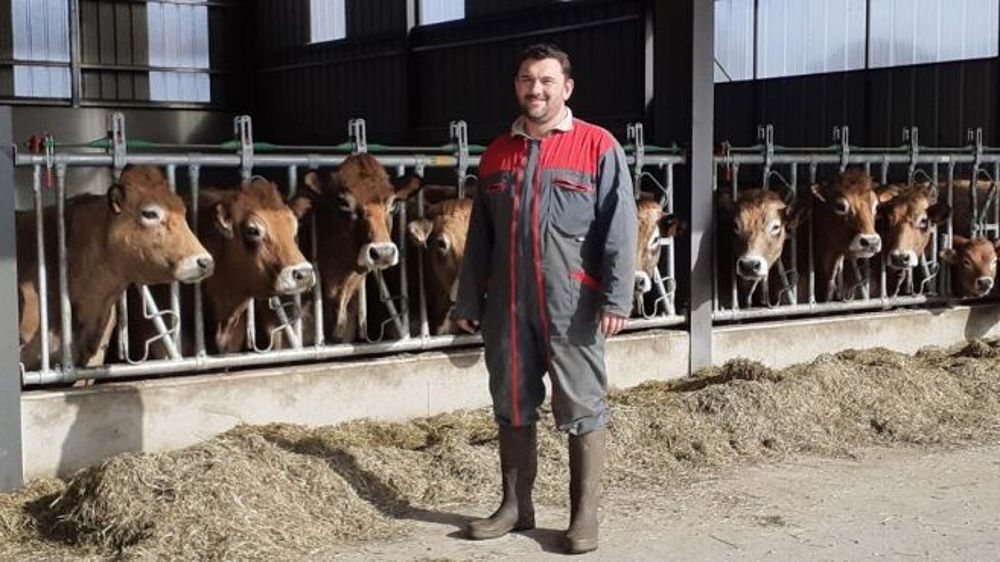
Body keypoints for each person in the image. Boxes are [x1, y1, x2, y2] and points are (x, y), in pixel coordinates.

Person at [451, 43, 637, 555]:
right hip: (508, 305)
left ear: (566, 88)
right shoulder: (497, 153)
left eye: (547, 80)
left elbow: (621, 229)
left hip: (572, 303)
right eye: (527, 80)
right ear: (517, 86)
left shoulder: (597, 146)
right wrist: (468, 302)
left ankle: (584, 517)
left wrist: (617, 299)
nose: (536, 89)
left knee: (581, 404)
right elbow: (480, 240)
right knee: (511, 400)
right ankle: (515, 507)